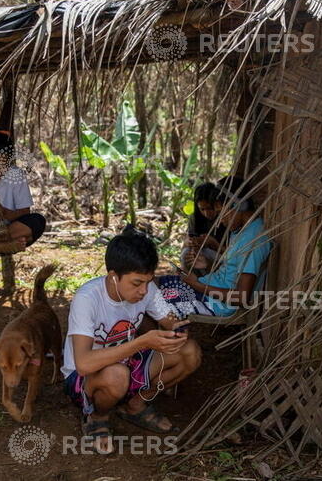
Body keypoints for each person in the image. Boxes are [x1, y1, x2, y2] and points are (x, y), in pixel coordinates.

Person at [62, 227, 202, 454]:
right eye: (136, 283)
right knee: (116, 375)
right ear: (113, 277)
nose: (143, 291)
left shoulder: (147, 290)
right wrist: (141, 343)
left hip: (127, 365)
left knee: (189, 351)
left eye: (148, 282)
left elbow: (170, 321)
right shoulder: (87, 298)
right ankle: (97, 416)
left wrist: (178, 328)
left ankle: (135, 405)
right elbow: (83, 363)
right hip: (85, 378)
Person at [159, 176, 272, 318]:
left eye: (220, 212)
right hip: (206, 289)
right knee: (154, 285)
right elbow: (233, 264)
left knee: (154, 300)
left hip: (215, 304)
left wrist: (196, 284)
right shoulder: (241, 230)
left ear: (238, 205)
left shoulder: (254, 240)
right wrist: (205, 267)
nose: (219, 220)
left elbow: (242, 298)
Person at [181, 182, 227, 273]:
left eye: (210, 208)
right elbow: (186, 242)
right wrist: (189, 242)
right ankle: (188, 282)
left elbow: (234, 255)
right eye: (202, 209)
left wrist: (213, 243)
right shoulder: (195, 218)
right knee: (186, 253)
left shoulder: (227, 218)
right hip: (200, 255)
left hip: (224, 260)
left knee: (202, 255)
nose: (206, 213)